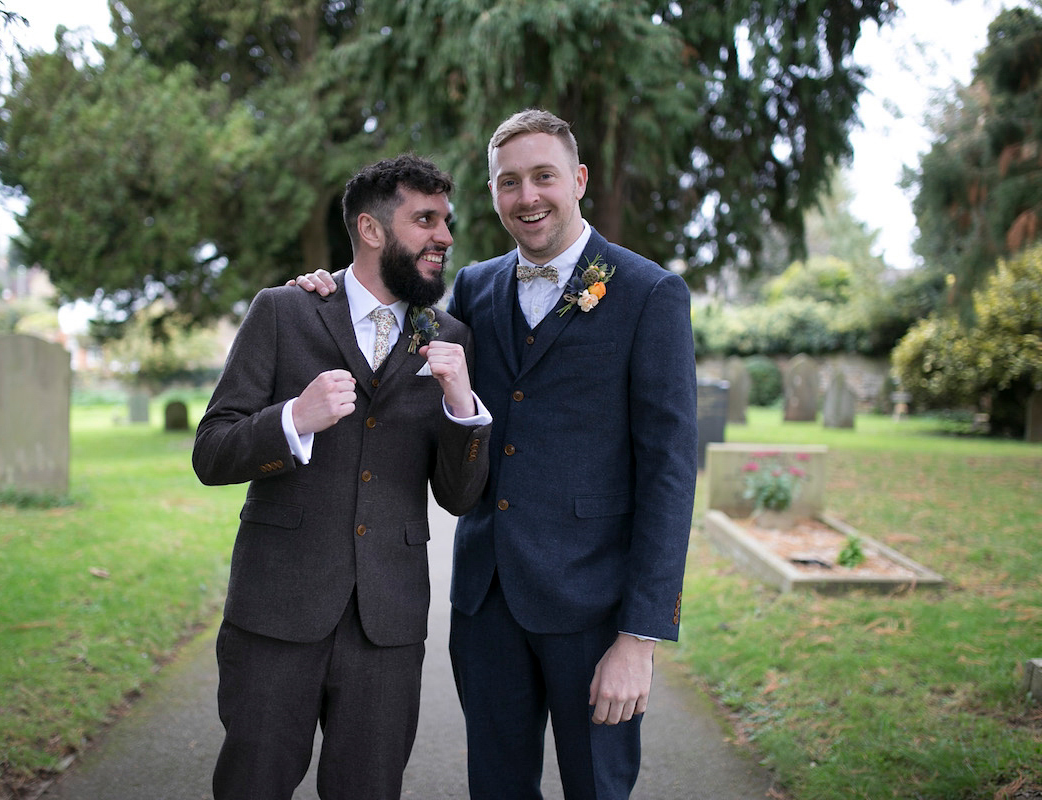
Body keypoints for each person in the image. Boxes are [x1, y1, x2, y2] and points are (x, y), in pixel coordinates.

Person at [295, 109, 697, 799]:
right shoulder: (476, 286)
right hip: (485, 603)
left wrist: (640, 638)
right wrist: (331, 294)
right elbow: (394, 332)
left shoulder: (648, 293)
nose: (527, 196)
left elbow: (669, 473)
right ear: (493, 193)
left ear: (578, 179)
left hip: (593, 607)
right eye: (508, 182)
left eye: (543, 176)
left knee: (596, 787)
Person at [193, 154, 492, 800]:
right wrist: (293, 420)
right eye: (425, 219)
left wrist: (464, 408)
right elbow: (211, 452)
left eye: (447, 220)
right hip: (275, 613)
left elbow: (460, 496)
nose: (444, 236)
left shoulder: (451, 338)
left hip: (388, 627)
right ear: (372, 229)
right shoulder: (284, 312)